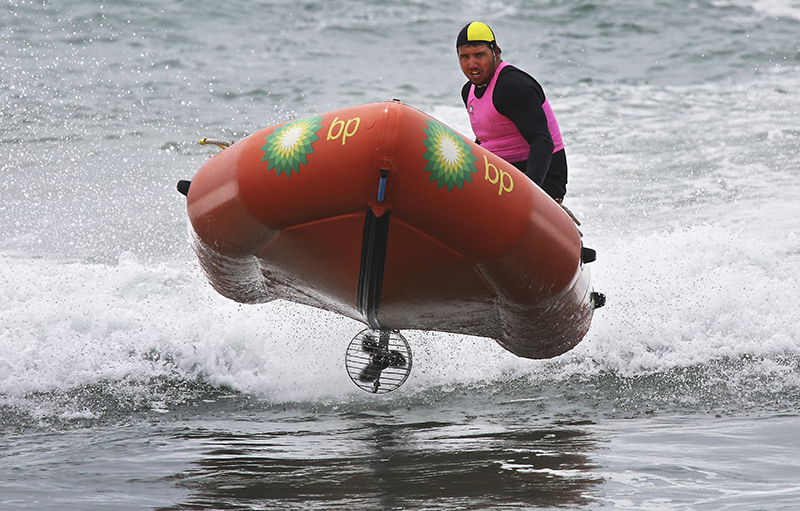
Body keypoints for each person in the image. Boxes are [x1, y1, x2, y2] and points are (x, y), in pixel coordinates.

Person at [457, 21, 568, 203]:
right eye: (465, 57)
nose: (472, 64)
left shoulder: (512, 87)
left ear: (496, 52)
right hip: (499, 174)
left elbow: (543, 141)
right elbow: (489, 139)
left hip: (542, 178)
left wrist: (530, 191)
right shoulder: (468, 91)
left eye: (479, 55)